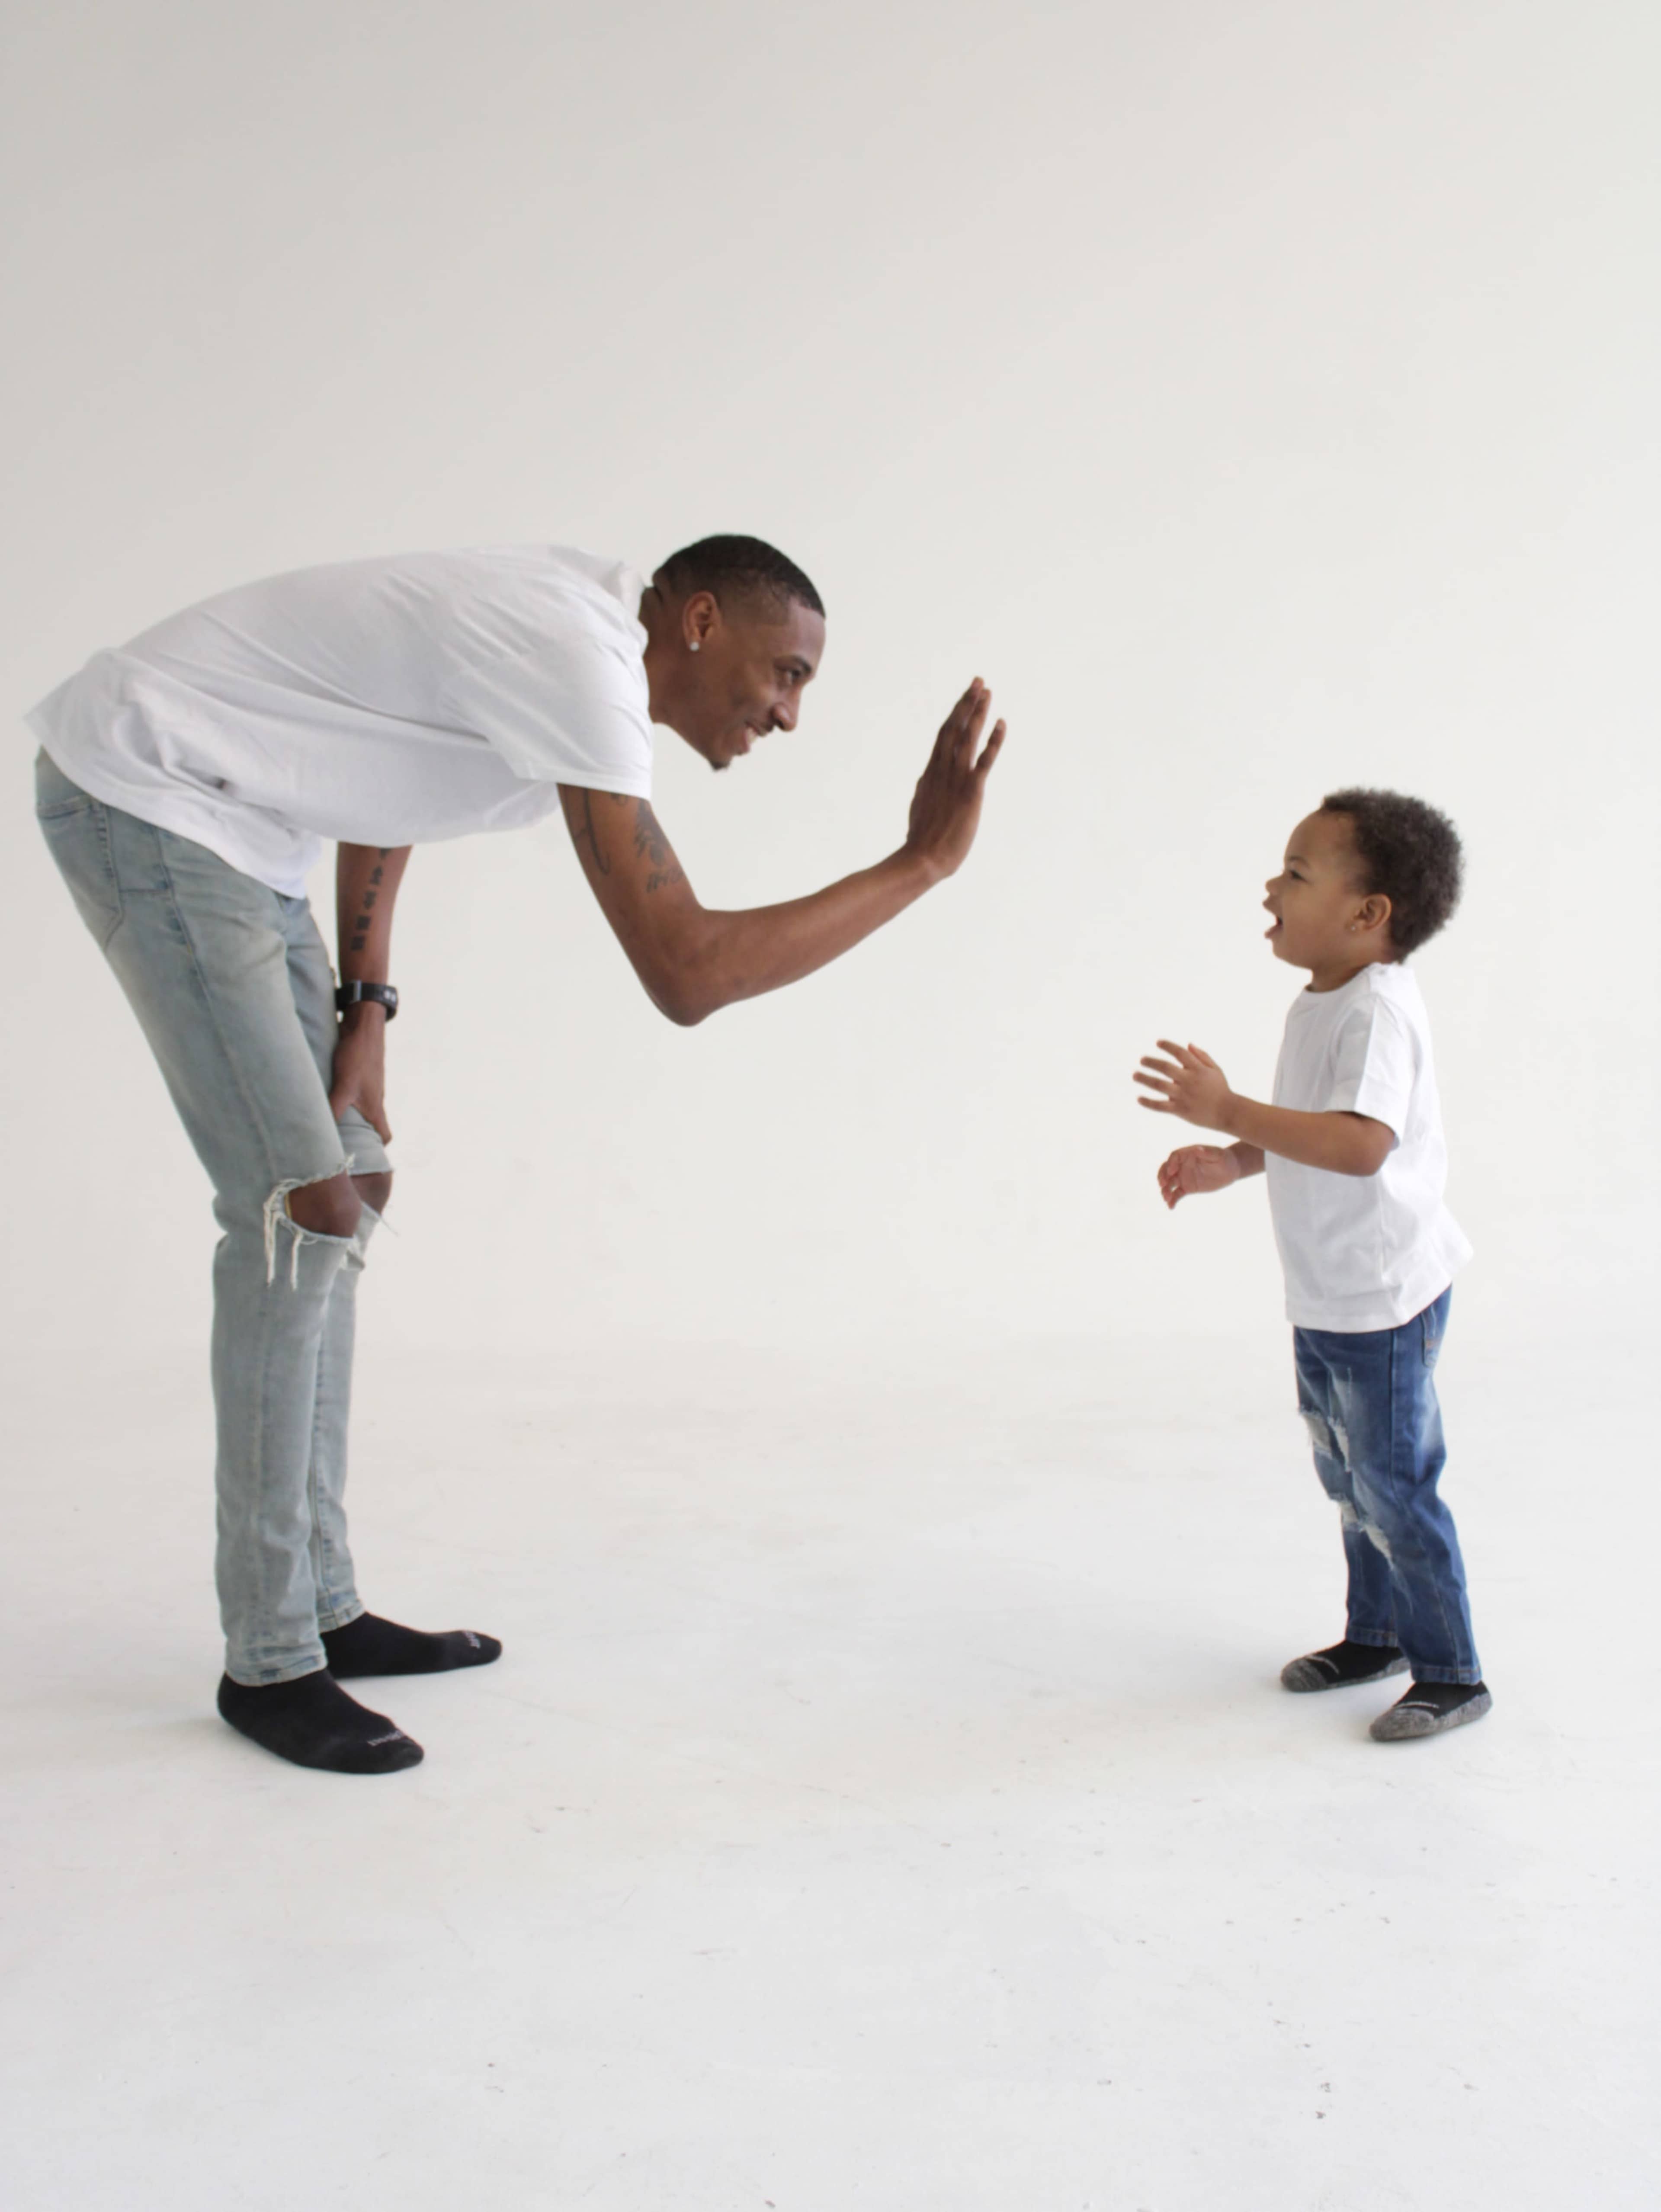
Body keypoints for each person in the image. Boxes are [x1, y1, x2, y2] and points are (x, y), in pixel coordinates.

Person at [30, 534, 1006, 1775]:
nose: (789, 713)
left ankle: (323, 1599)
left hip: (245, 828)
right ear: (700, 620)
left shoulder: (565, 656)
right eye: (785, 672)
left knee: (351, 1179)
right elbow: (687, 974)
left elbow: (381, 765)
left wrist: (367, 1001)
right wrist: (919, 863)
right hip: (148, 793)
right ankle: (269, 1659)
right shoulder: (580, 657)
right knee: (297, 1206)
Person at [1133, 789, 1490, 1741]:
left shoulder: (1374, 1011)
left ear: (1369, 914)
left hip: (1381, 1298)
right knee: (1350, 1478)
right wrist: (1235, 1161)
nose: (1271, 886)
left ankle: (1452, 1671)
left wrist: (1231, 1112)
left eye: (1295, 873)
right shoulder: (1321, 1001)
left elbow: (1364, 1143)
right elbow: (1316, 1126)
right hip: (1330, 1293)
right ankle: (1376, 1635)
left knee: (1394, 1484)